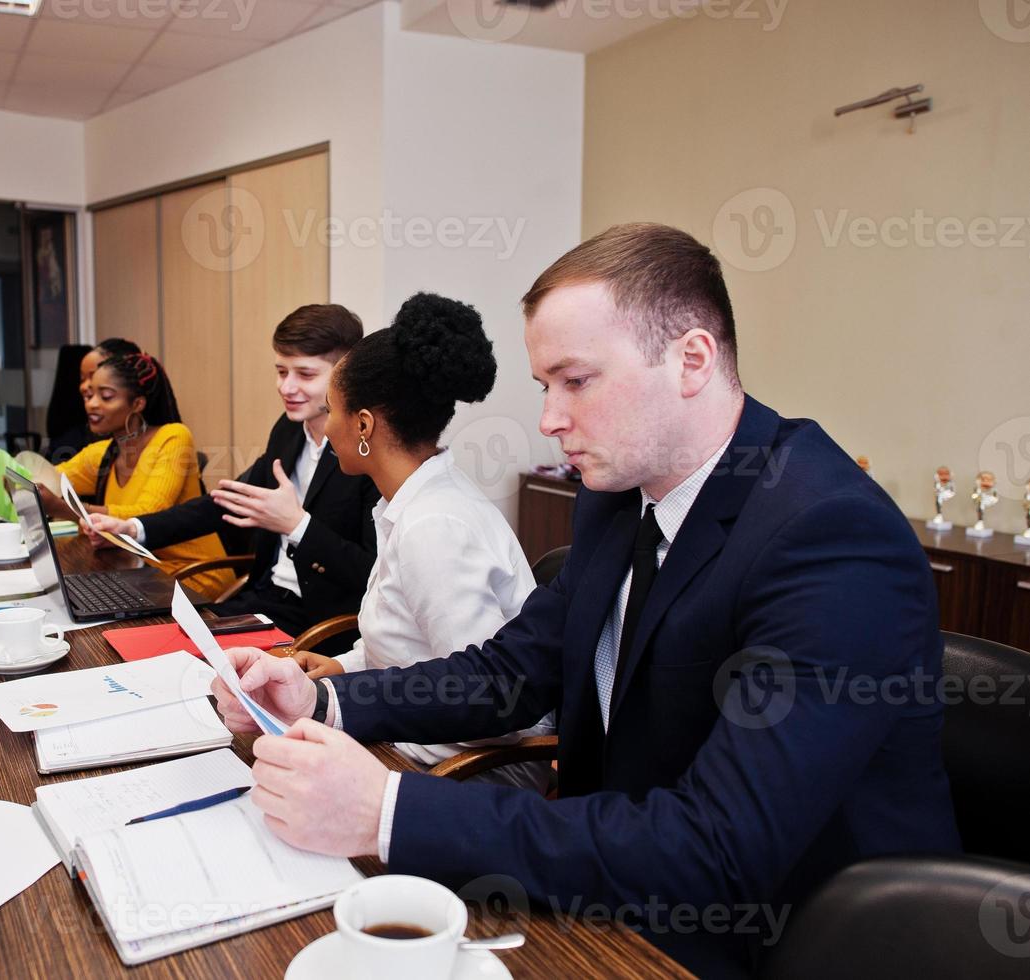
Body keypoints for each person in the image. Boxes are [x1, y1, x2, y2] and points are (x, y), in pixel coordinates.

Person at [209, 225, 960, 976]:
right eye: (544, 387)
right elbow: (512, 670)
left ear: (690, 359)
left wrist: (389, 812)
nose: (549, 419)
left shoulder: (829, 534)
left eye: (576, 381)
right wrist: (321, 701)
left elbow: (719, 848)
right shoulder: (618, 498)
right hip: (619, 886)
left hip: (779, 937)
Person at [290, 293, 548, 775]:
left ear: (363, 423)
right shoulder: (407, 502)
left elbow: (483, 703)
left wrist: (349, 713)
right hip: (411, 740)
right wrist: (346, 666)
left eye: (331, 410)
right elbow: (413, 642)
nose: (325, 427)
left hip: (467, 768)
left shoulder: (436, 527)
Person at [88, 305, 379, 637]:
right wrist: (134, 528)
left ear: (345, 372)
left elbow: (370, 572)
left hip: (319, 624)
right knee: (135, 638)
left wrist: (297, 526)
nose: (286, 387)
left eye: (305, 374)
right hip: (262, 601)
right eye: (282, 372)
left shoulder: (365, 451)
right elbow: (226, 502)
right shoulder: (287, 430)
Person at [41, 351, 233, 598]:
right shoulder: (103, 453)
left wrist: (63, 508)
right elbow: (44, 477)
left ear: (137, 404)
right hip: (134, 572)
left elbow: (148, 512)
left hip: (191, 576)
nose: (92, 404)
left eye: (106, 396)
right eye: (89, 395)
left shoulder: (173, 437)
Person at [45, 339, 141, 468]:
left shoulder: (159, 444)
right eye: (82, 379)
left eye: (94, 376)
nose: (84, 387)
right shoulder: (72, 443)